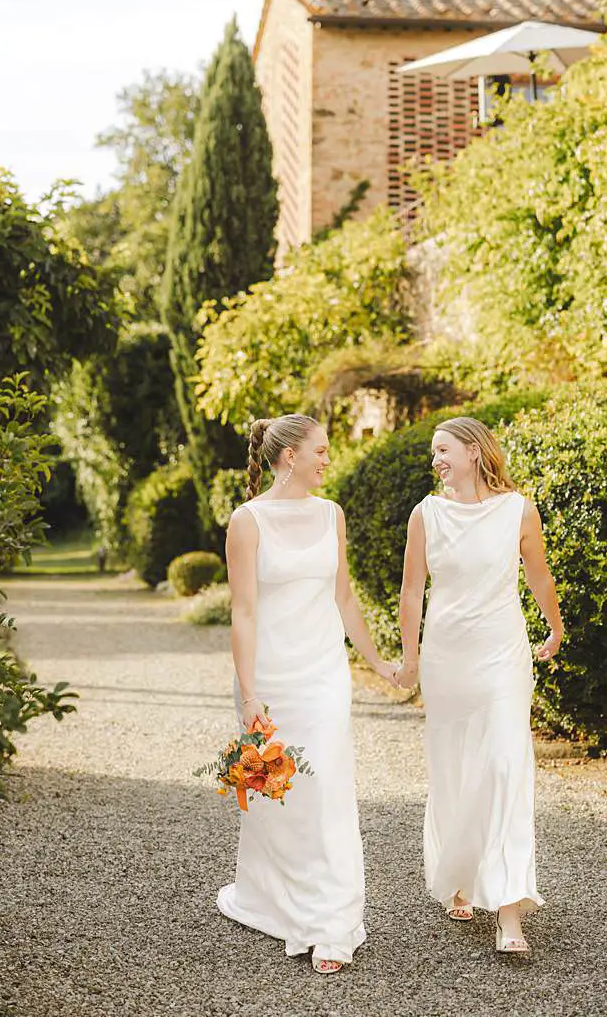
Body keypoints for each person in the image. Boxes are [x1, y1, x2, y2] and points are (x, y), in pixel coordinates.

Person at [219, 413, 398, 975]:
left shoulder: (331, 515)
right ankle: (274, 897)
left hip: (323, 675)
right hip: (269, 677)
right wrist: (249, 695)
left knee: (328, 790)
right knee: (278, 795)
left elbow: (344, 597)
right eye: (320, 451)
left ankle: (333, 921)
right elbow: (243, 612)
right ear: (289, 456)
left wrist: (379, 663)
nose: (328, 460)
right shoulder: (246, 523)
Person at [393, 416, 563, 954]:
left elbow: (538, 573)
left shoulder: (518, 509)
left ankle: (509, 910)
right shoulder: (427, 514)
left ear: (473, 450)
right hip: (448, 659)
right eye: (434, 453)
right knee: (455, 768)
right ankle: (460, 877)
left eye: (444, 449)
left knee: (506, 764)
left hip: (502, 656)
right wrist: (411, 660)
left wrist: (556, 627)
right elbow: (411, 592)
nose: (437, 459)